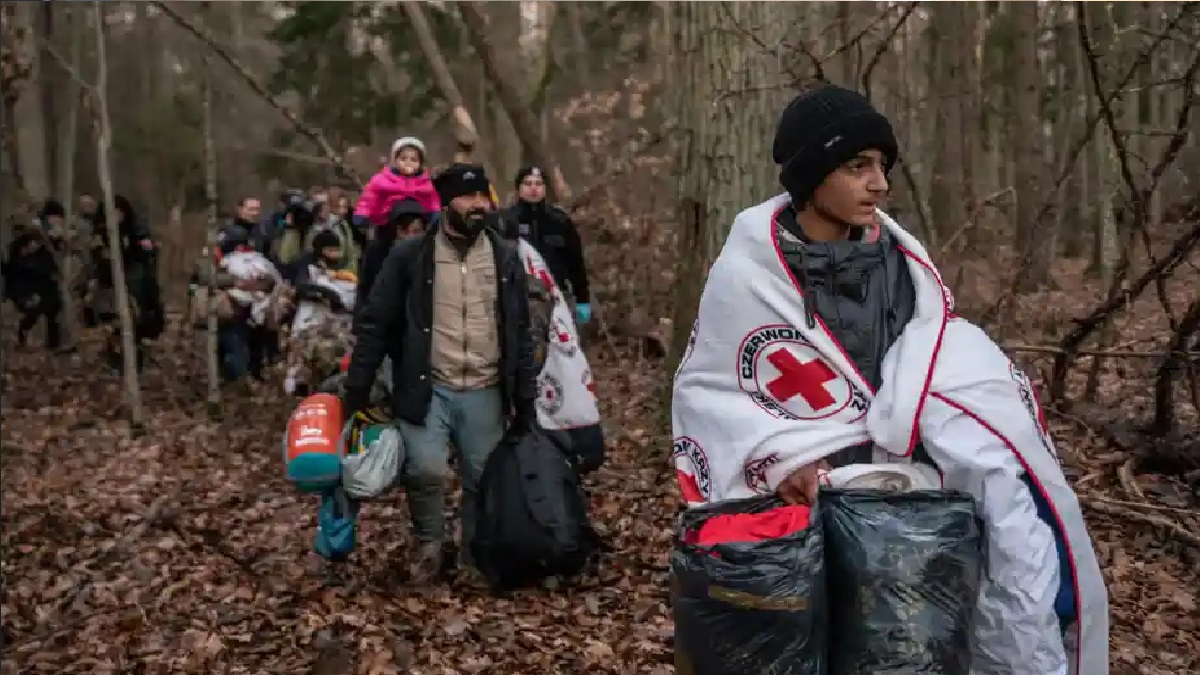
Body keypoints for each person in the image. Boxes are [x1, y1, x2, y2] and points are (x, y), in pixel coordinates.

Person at [670, 85, 1108, 675]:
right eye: (858, 167)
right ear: (810, 175)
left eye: (882, 167)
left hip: (904, 518)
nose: (879, 184)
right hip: (797, 523)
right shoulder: (747, 276)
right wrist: (779, 460)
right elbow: (714, 393)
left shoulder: (903, 269)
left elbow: (934, 366)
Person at [342, 163, 537, 584]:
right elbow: (376, 323)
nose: (478, 206)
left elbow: (520, 328)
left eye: (483, 197)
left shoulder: (504, 256)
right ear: (446, 202)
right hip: (428, 384)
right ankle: (429, 544)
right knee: (426, 470)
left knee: (482, 475)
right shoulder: (410, 256)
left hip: (485, 385)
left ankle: (471, 556)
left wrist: (525, 397)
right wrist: (357, 386)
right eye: (468, 198)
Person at [501, 166, 592, 327]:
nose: (534, 188)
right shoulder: (506, 221)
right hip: (520, 298)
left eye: (538, 183)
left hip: (558, 297)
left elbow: (576, 264)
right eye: (528, 184)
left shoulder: (560, 221)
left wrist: (583, 299)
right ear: (519, 188)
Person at [285, 231, 357, 396]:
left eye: (336, 250)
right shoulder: (309, 271)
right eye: (330, 250)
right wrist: (328, 295)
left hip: (337, 331)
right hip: (308, 327)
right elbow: (302, 288)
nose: (335, 254)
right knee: (302, 367)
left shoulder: (344, 276)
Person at [4, 200, 64, 350]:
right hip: (30, 281)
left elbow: (55, 253)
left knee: (53, 309)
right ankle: (23, 333)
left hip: (47, 279)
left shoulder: (51, 234)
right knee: (34, 309)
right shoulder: (32, 235)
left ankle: (53, 344)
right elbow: (20, 259)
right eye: (54, 217)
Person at [353, 136, 441, 228]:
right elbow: (369, 198)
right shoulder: (382, 179)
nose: (408, 163)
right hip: (387, 221)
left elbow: (432, 199)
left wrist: (435, 213)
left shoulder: (425, 181)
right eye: (403, 159)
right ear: (395, 161)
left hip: (418, 219)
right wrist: (363, 214)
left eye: (414, 160)